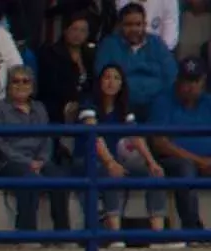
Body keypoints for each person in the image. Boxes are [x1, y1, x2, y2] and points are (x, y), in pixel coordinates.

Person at [0, 66, 72, 235]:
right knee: (29, 179)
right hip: (11, 162)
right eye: (15, 81)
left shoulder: (39, 108)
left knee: (60, 179)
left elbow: (47, 139)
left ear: (32, 86)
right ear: (8, 85)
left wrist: (41, 160)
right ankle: (27, 233)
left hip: (39, 160)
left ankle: (63, 234)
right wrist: (27, 162)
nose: (20, 85)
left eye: (26, 81)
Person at [82, 63, 167, 237]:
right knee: (109, 173)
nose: (111, 82)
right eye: (107, 77)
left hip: (116, 160)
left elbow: (136, 136)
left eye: (116, 78)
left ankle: (159, 235)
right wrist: (110, 162)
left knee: (156, 175)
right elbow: (94, 136)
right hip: (89, 161)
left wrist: (152, 162)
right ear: (99, 82)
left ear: (122, 84)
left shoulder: (124, 108)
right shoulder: (88, 104)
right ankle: (114, 235)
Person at [151, 58, 211, 238]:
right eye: (186, 81)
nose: (191, 86)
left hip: (207, 160)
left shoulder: (208, 102)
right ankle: (193, 230)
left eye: (195, 81)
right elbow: (160, 142)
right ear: (178, 80)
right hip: (175, 161)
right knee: (185, 169)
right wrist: (198, 160)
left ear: (203, 81)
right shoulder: (163, 100)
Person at [95, 3, 175, 119]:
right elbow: (101, 77)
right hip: (121, 106)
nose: (134, 29)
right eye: (128, 25)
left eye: (138, 24)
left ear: (145, 25)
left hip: (156, 106)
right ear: (120, 25)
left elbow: (171, 77)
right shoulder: (108, 45)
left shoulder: (157, 44)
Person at [36, 10, 96, 122]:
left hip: (84, 106)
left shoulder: (90, 55)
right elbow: (48, 87)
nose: (78, 34)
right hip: (57, 107)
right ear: (65, 30)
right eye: (74, 29)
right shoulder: (50, 53)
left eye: (83, 30)